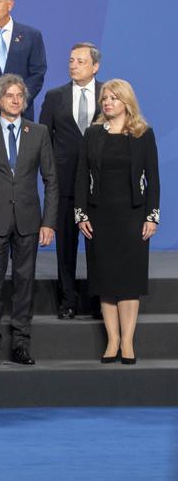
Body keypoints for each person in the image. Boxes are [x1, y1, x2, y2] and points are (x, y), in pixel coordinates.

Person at [0, 73, 58, 366]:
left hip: (29, 221)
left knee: (24, 284)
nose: (16, 100)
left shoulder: (39, 132)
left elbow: (51, 181)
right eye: (10, 95)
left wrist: (48, 222)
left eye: (20, 95)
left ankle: (21, 344)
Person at [75, 79, 159, 364]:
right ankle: (112, 340)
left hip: (133, 217)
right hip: (100, 216)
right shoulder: (93, 134)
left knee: (128, 281)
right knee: (105, 280)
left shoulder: (143, 134)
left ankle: (127, 342)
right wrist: (81, 214)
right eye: (104, 99)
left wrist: (152, 216)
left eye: (112, 98)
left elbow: (154, 180)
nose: (107, 103)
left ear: (126, 102)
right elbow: (80, 177)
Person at [40, 42, 103, 320]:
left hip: (99, 186)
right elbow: (43, 139)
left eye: (80, 61)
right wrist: (49, 175)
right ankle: (68, 300)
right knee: (66, 246)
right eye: (70, 61)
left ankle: (99, 300)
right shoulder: (55, 97)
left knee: (98, 247)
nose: (73, 65)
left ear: (95, 66)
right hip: (64, 183)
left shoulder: (108, 95)